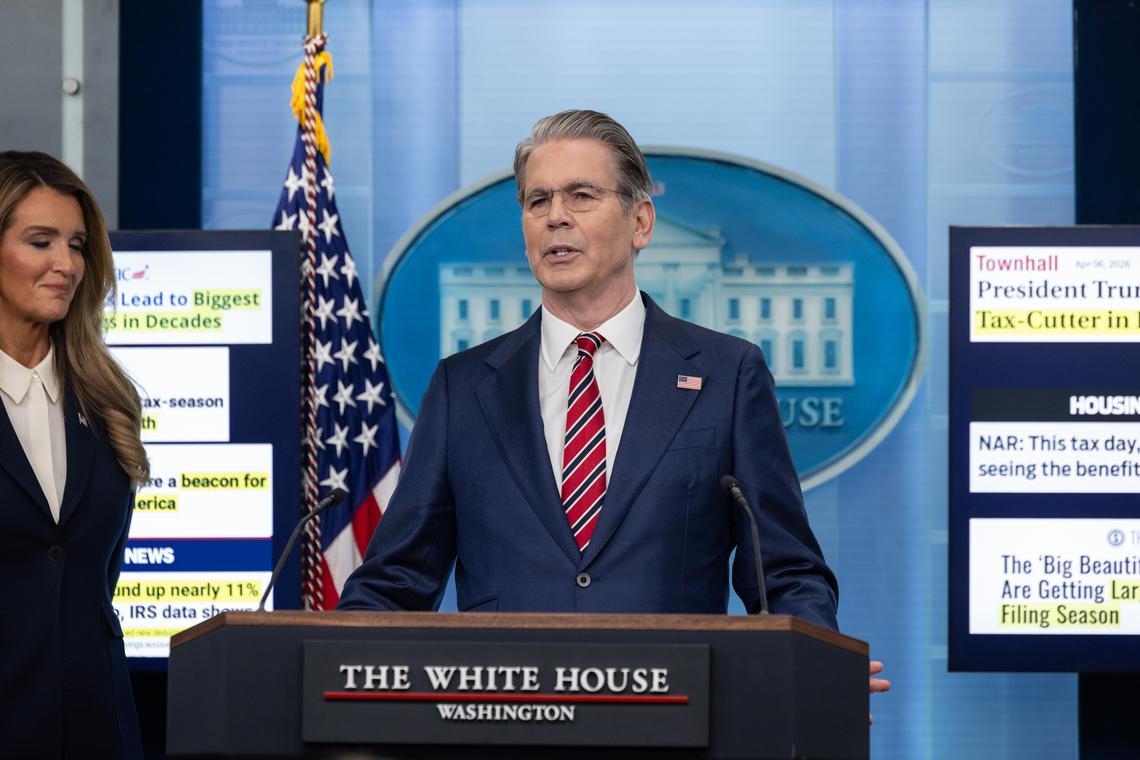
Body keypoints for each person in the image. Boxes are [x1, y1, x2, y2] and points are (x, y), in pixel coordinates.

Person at [0, 151, 148, 758]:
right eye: (41, 242)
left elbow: (96, 582)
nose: (66, 265)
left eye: (78, 245)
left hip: (99, 733)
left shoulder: (109, 400)